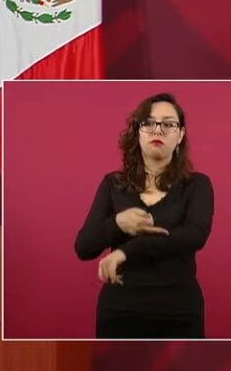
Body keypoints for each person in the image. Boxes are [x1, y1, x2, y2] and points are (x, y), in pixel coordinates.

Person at [74, 93, 214, 339]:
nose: (157, 130)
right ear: (137, 132)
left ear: (180, 135)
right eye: (148, 123)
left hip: (179, 313)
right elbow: (84, 247)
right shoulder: (113, 184)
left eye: (168, 124)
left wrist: (126, 251)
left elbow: (194, 236)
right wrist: (118, 223)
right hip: (119, 312)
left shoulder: (197, 185)